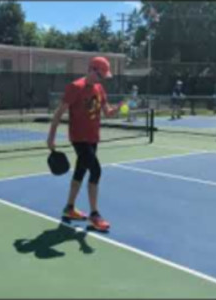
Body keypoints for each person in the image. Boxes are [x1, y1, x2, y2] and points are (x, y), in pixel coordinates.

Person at [47, 56, 120, 232]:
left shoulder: (99, 88)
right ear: (92, 70)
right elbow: (58, 113)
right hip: (79, 139)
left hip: (93, 137)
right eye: (101, 75)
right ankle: (94, 215)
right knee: (96, 170)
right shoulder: (75, 87)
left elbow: (107, 112)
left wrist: (118, 108)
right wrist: (51, 137)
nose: (102, 79)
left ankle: (69, 208)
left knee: (81, 171)